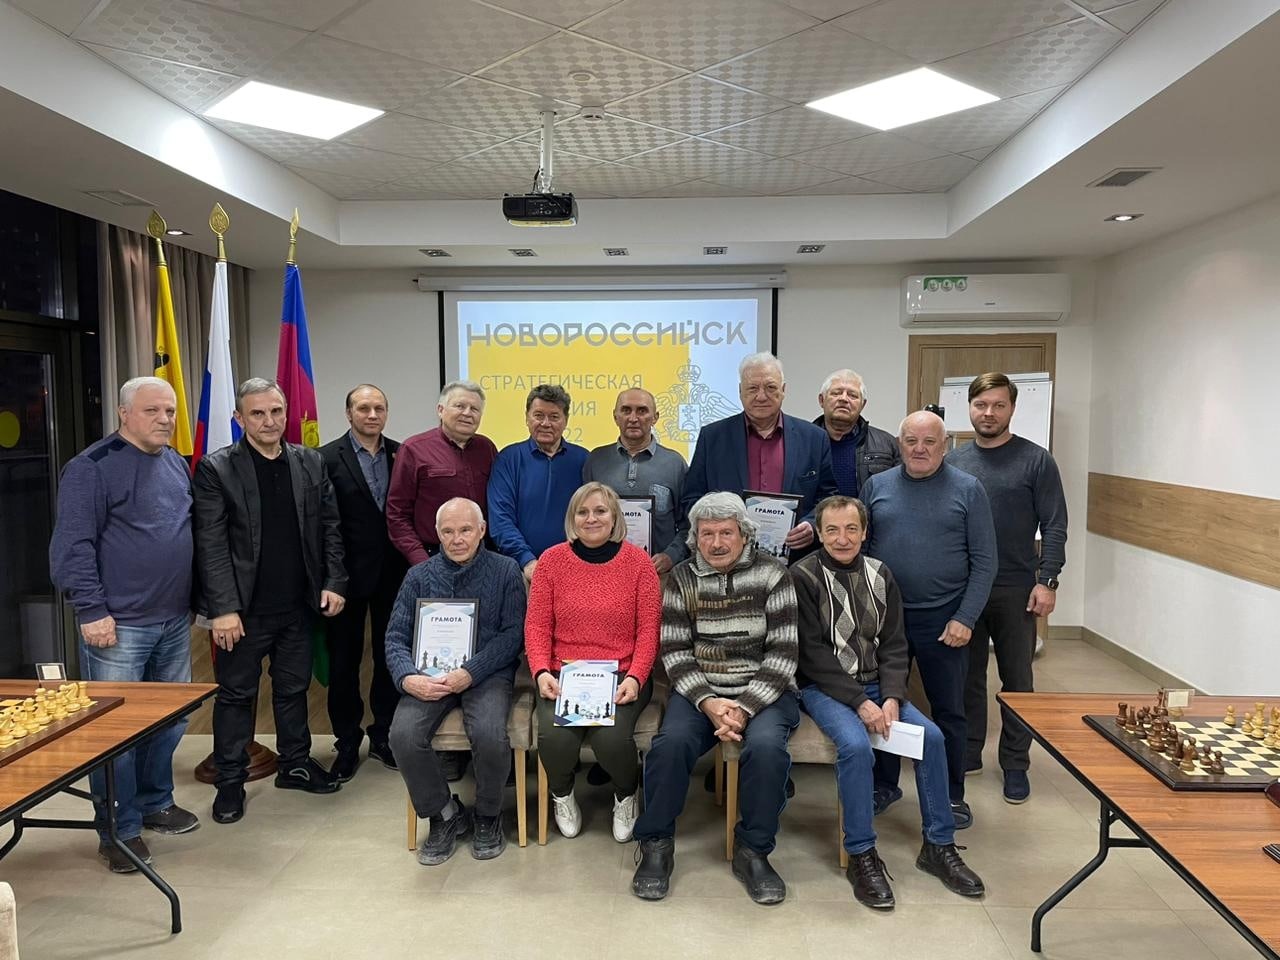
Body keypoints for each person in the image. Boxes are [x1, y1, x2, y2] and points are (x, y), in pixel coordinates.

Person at [793, 495, 985, 909]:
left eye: (851, 529)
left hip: (879, 686)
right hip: (824, 689)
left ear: (864, 532)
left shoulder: (881, 574)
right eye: (832, 530)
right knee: (856, 746)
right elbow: (811, 655)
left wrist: (893, 695)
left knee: (931, 738)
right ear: (819, 534)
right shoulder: (802, 577)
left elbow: (896, 643)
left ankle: (938, 845)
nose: (842, 539)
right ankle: (861, 854)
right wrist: (861, 702)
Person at [49, 377, 199, 873]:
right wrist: (91, 611)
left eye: (170, 411)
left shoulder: (174, 461)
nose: (165, 419)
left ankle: (156, 802)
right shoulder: (91, 467)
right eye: (152, 410)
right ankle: (118, 829)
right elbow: (72, 545)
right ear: (123, 413)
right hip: (118, 626)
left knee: (170, 719)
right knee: (116, 731)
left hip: (172, 619)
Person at [631, 492, 799, 906]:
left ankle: (753, 850)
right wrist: (708, 702)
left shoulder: (774, 574)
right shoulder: (682, 578)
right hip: (700, 690)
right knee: (670, 745)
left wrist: (744, 708)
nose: (717, 543)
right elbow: (674, 652)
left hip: (764, 690)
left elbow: (783, 653)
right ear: (695, 537)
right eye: (707, 534)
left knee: (767, 749)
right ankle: (656, 843)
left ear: (745, 534)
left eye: (726, 532)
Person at [193, 377, 347, 824]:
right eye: (257, 413)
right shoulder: (216, 469)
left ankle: (295, 763)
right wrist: (223, 609)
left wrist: (334, 580)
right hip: (242, 612)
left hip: (297, 605)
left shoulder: (309, 461)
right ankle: (229, 781)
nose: (269, 421)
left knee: (292, 690)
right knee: (236, 697)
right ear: (239, 418)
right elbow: (211, 544)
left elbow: (330, 528)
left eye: (276, 411)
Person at [861, 411, 996, 829]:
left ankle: (952, 794)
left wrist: (965, 617)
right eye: (911, 441)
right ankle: (884, 785)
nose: (919, 449)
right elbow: (861, 552)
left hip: (945, 621)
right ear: (899, 444)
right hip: (886, 620)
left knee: (949, 710)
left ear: (945, 445)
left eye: (929, 442)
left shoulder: (968, 489)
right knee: (886, 703)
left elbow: (985, 561)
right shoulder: (877, 487)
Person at [948, 372, 1068, 804]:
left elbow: (1055, 524)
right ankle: (969, 753)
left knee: (1017, 680)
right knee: (968, 678)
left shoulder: (1037, 461)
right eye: (981, 405)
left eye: (998, 405)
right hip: (966, 589)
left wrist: (1047, 580)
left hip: (1017, 586)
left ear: (1012, 409)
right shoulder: (955, 462)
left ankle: (1016, 764)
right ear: (970, 408)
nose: (989, 413)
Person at [385, 497, 526, 865]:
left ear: (482, 531)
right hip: (428, 676)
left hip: (487, 674)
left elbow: (514, 635)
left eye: (465, 530)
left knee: (490, 734)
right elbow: (395, 637)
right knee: (402, 735)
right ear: (437, 534)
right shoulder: (418, 576)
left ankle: (488, 816)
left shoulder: (506, 571)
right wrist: (407, 678)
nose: (457, 539)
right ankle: (444, 814)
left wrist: (471, 672)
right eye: (448, 531)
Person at [524, 482, 661, 842]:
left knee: (611, 740)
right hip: (562, 674)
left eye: (600, 511)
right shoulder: (551, 561)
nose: (591, 519)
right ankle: (562, 794)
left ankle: (626, 794)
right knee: (555, 738)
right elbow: (537, 625)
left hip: (622, 674)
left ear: (614, 516)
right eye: (582, 512)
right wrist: (540, 671)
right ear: (572, 519)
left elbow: (649, 630)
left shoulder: (639, 563)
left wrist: (636, 677)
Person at [319, 384, 408, 780]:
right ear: (348, 413)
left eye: (379, 408)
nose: (372, 415)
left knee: (390, 659)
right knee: (344, 663)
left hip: (394, 574)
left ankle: (384, 735)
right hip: (345, 578)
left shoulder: (402, 454)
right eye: (364, 408)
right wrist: (331, 577)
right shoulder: (324, 458)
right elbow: (323, 524)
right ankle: (346, 741)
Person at [682, 352, 836, 560]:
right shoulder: (712, 437)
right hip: (726, 560)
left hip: (794, 560)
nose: (761, 396)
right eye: (752, 388)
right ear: (740, 391)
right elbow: (692, 498)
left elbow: (828, 497)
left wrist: (811, 524)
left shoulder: (814, 438)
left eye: (770, 387)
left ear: (783, 390)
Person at [385, 380, 497, 567]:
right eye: (459, 406)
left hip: (481, 557)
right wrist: (421, 561)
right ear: (440, 410)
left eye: (474, 409)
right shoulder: (413, 449)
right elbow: (397, 513)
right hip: (432, 556)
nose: (467, 413)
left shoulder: (487, 448)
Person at [487, 384, 589, 582]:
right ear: (527, 418)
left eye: (554, 416)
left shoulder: (583, 460)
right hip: (520, 571)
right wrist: (527, 561)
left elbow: (592, 518)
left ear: (566, 420)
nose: (545, 423)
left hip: (575, 571)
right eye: (538, 415)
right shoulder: (508, 459)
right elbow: (501, 519)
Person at [582, 387, 688, 574]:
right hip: (605, 572)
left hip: (658, 574)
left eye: (642, 411)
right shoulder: (596, 460)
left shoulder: (674, 463)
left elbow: (689, 524)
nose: (633, 418)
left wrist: (671, 556)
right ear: (615, 417)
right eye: (626, 410)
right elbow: (583, 518)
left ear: (655, 417)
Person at [813, 369, 900, 498]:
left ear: (862, 404)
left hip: (869, 512)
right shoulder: (804, 442)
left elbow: (899, 492)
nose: (843, 399)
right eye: (836, 393)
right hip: (816, 512)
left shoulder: (887, 444)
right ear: (821, 400)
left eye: (852, 395)